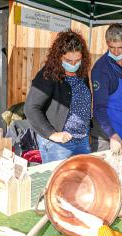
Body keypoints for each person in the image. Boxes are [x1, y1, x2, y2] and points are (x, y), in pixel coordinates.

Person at [24, 30, 91, 163]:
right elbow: (31, 108)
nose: (73, 65)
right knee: (58, 182)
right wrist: (52, 134)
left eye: (77, 60)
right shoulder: (48, 75)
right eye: (68, 60)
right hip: (58, 145)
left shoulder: (82, 74)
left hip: (82, 140)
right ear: (59, 56)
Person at [90, 23, 122, 153]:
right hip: (105, 134)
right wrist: (112, 135)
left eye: (120, 47)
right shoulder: (101, 69)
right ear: (107, 43)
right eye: (112, 47)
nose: (116, 52)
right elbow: (98, 108)